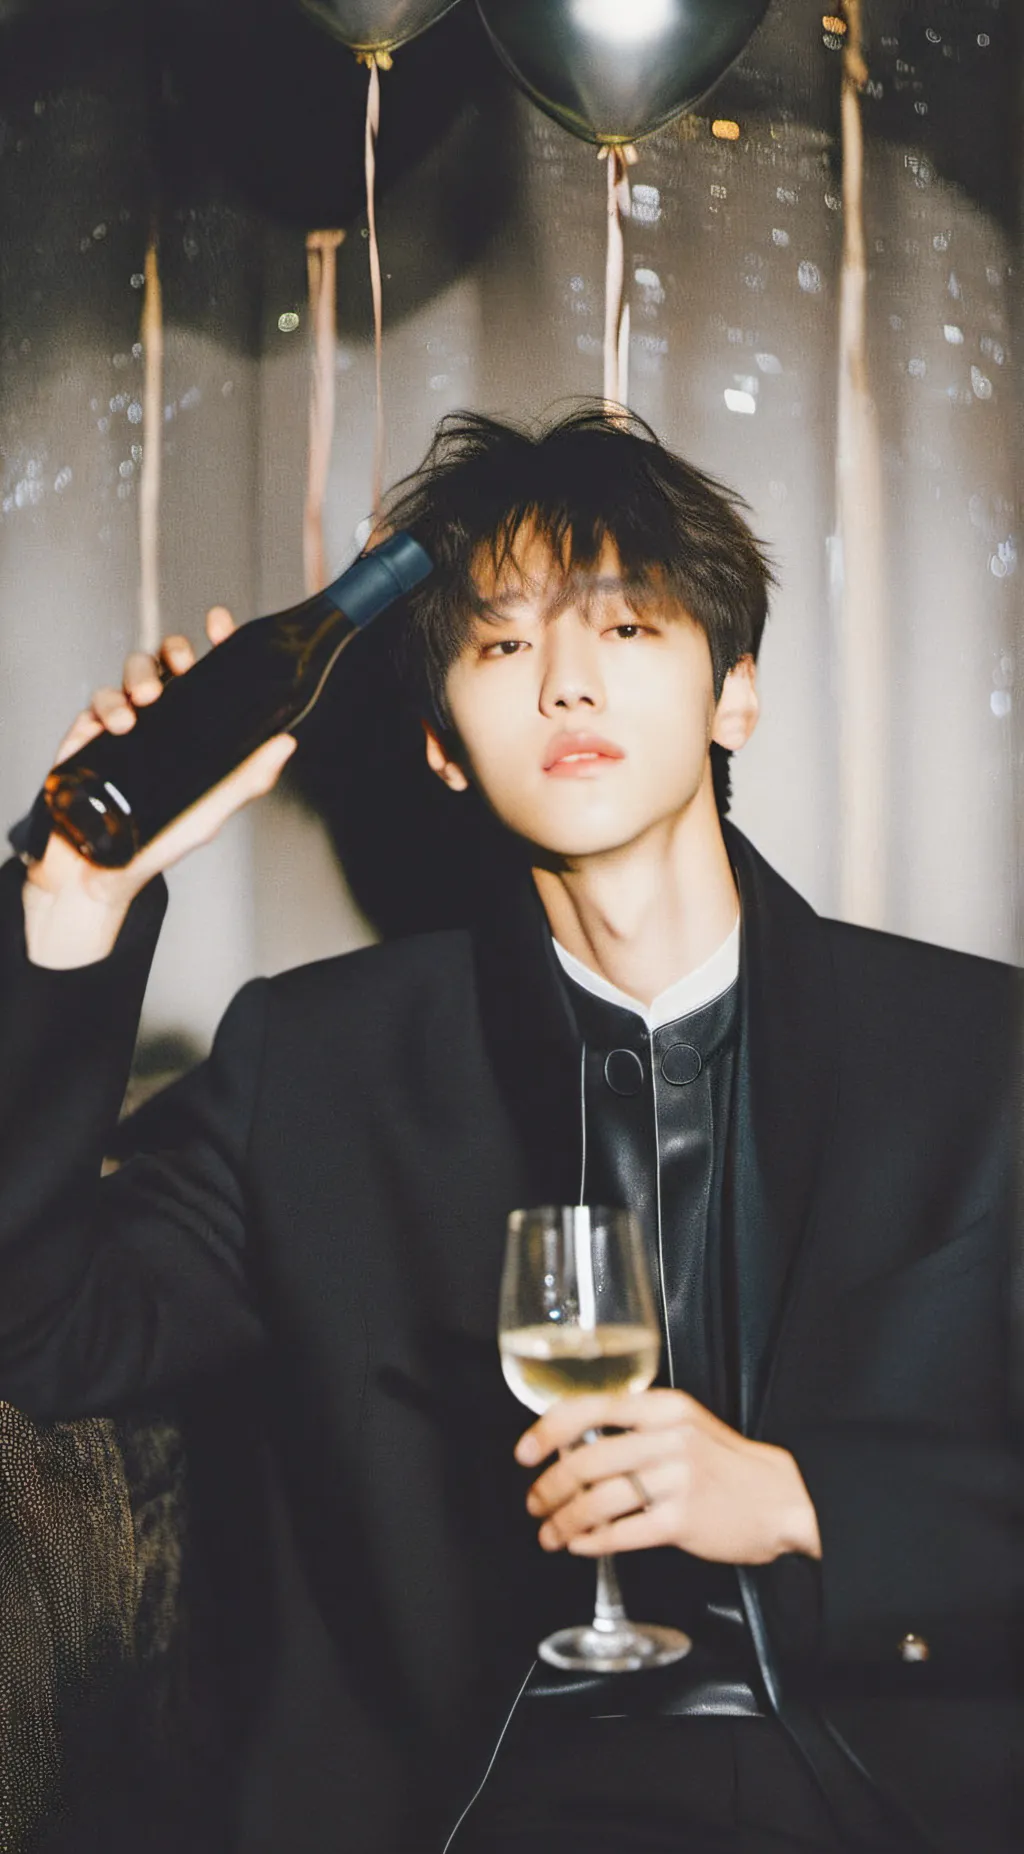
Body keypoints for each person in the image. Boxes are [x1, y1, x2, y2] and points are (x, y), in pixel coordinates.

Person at [0, 407, 1018, 1854]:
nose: (565, 680)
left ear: (735, 696)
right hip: (478, 1804)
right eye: (499, 645)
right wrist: (71, 909)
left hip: (881, 1787)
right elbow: (41, 1329)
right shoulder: (319, 1064)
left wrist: (809, 1502)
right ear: (442, 749)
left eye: (628, 625)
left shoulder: (979, 1053)